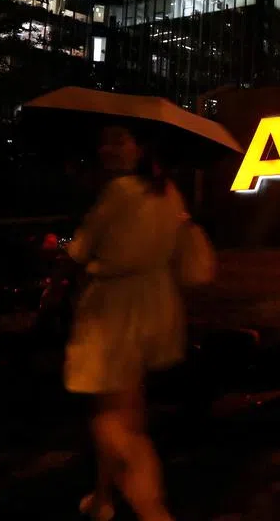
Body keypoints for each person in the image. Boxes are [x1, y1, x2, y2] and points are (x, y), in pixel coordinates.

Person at [65, 125, 188, 521]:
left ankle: (152, 509)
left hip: (115, 313)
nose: (108, 148)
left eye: (119, 140)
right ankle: (103, 499)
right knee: (126, 410)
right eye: (104, 140)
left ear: (140, 146)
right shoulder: (167, 191)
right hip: (156, 308)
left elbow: (80, 250)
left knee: (110, 421)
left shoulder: (119, 193)